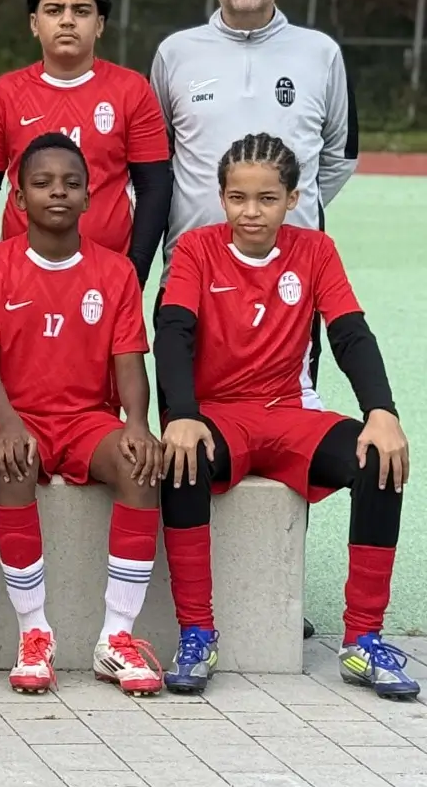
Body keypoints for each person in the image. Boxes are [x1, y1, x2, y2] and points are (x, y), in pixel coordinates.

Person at [155, 133, 412, 699]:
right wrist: (181, 413)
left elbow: (350, 334)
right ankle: (197, 632)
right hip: (221, 417)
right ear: (220, 198)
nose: (252, 212)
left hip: (292, 413)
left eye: (267, 198)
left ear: (293, 200)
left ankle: (362, 641)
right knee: (182, 458)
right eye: (238, 198)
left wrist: (382, 412)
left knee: (380, 461)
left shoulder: (315, 250)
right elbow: (172, 332)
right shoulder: (196, 249)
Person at [0, 133, 164, 697]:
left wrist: (137, 423)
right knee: (15, 463)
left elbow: (129, 364)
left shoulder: (117, 271)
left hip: (83, 420)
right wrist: (7, 424)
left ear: (89, 198)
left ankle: (116, 638)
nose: (58, 192)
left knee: (138, 465)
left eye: (71, 184)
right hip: (9, 413)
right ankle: (35, 634)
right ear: (19, 199)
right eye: (43, 182)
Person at [151, 0, 357, 257]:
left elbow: (341, 155)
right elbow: (156, 155)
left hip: (292, 271)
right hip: (193, 266)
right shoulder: (174, 53)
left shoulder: (321, 53)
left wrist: (290, 205)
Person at [0, 0, 172, 284]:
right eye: (54, 11)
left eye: (81, 11)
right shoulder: (5, 93)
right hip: (20, 277)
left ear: (99, 24)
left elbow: (154, 186)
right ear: (34, 23)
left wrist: (133, 273)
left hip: (105, 278)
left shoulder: (132, 89)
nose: (67, 21)